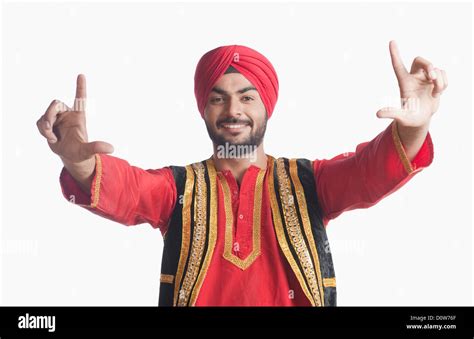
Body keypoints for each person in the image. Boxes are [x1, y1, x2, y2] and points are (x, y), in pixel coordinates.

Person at [36, 41, 447, 306]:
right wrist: (79, 161)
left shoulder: (311, 184)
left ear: (266, 105)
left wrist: (413, 128)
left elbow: (368, 172)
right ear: (204, 108)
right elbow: (127, 190)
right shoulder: (177, 190)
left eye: (247, 97)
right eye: (219, 98)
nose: (233, 110)